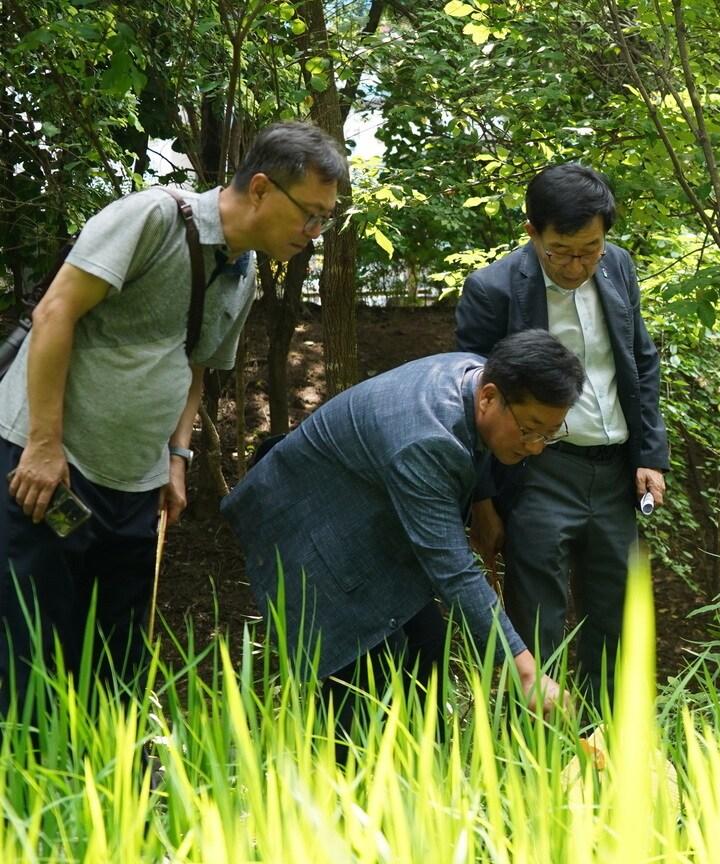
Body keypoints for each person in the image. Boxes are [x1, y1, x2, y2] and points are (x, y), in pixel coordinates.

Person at [1, 122, 347, 712]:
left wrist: (178, 457)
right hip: (54, 469)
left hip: (135, 484)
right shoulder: (153, 218)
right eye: (310, 215)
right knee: (29, 649)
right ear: (261, 188)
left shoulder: (242, 273)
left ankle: (108, 787)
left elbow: (195, 368)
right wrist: (42, 444)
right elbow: (56, 312)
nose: (314, 234)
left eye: (325, 220)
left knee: (116, 656)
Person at [221, 330, 585, 722]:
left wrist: (481, 505)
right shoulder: (425, 440)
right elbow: (453, 570)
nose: (534, 447)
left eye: (548, 434)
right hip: (308, 530)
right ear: (489, 397)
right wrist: (526, 672)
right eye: (529, 429)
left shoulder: (470, 374)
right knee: (362, 693)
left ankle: (421, 770)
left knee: (426, 654)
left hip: (361, 513)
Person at [455, 163, 669, 709]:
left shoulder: (617, 268)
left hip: (617, 470)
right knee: (538, 619)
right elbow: (474, 403)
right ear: (532, 233)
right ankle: (533, 758)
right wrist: (483, 499)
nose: (577, 265)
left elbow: (640, 362)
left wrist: (650, 454)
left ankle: (607, 748)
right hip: (537, 469)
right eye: (561, 251)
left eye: (590, 249)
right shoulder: (493, 290)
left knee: (618, 616)